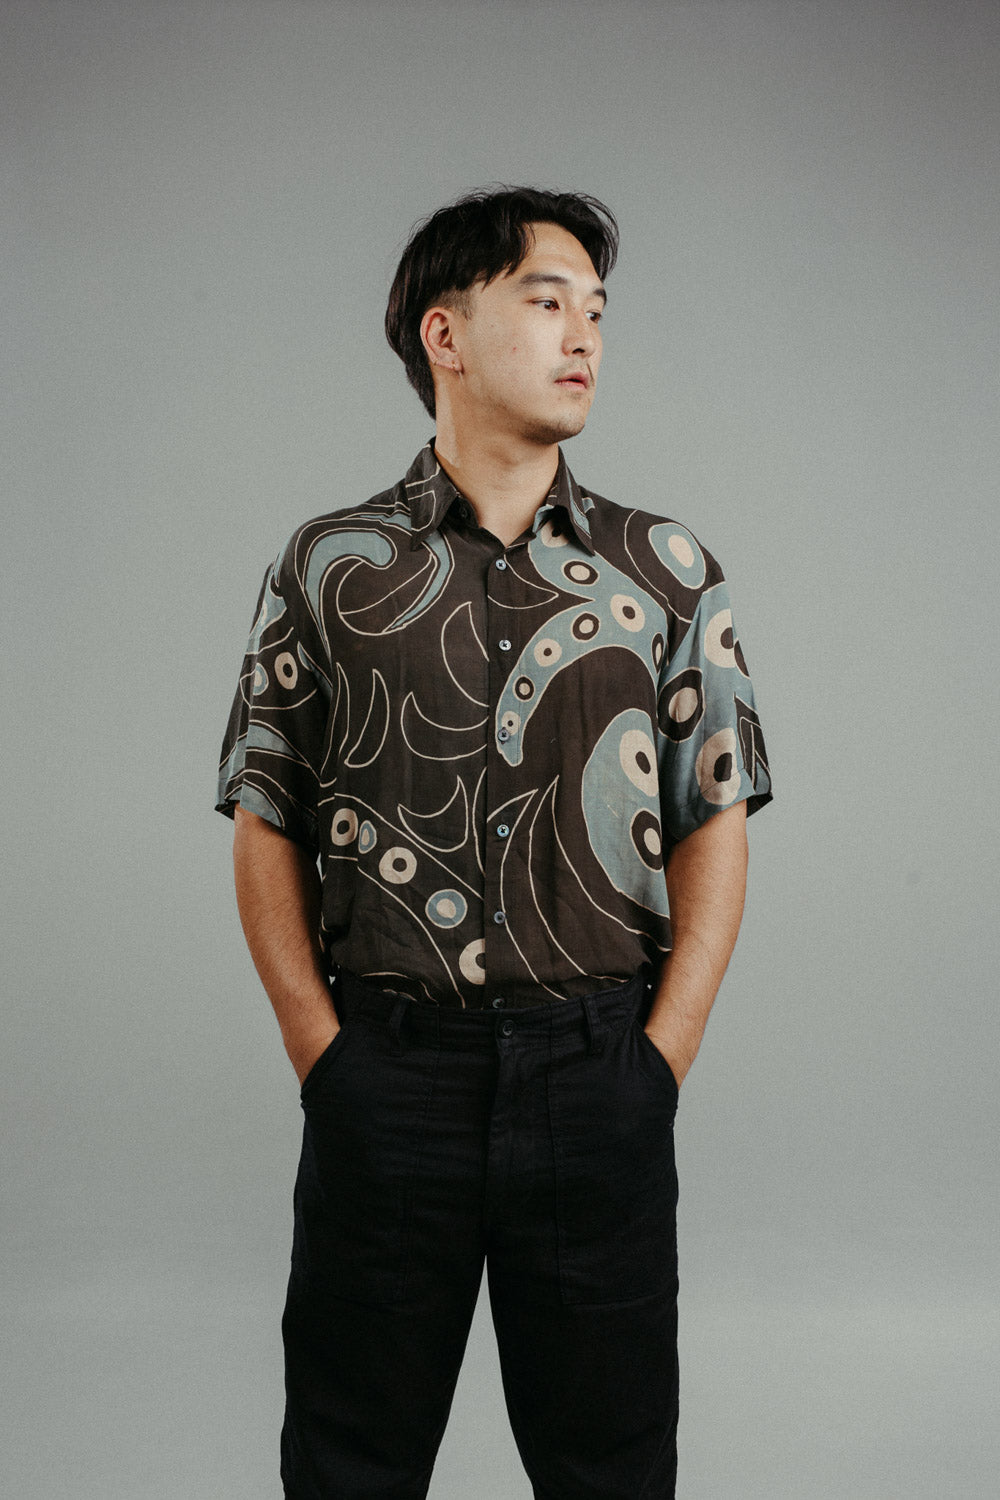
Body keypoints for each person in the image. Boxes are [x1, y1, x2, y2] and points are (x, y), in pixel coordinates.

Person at [216, 185, 772, 1499]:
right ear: (443, 333)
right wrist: (323, 1056)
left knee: (612, 1469)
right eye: (547, 299)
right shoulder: (330, 564)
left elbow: (716, 815)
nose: (584, 333)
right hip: (386, 1082)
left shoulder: (668, 569)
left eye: (596, 310)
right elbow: (264, 813)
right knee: (349, 1463)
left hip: (599, 1078)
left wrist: (660, 1061)